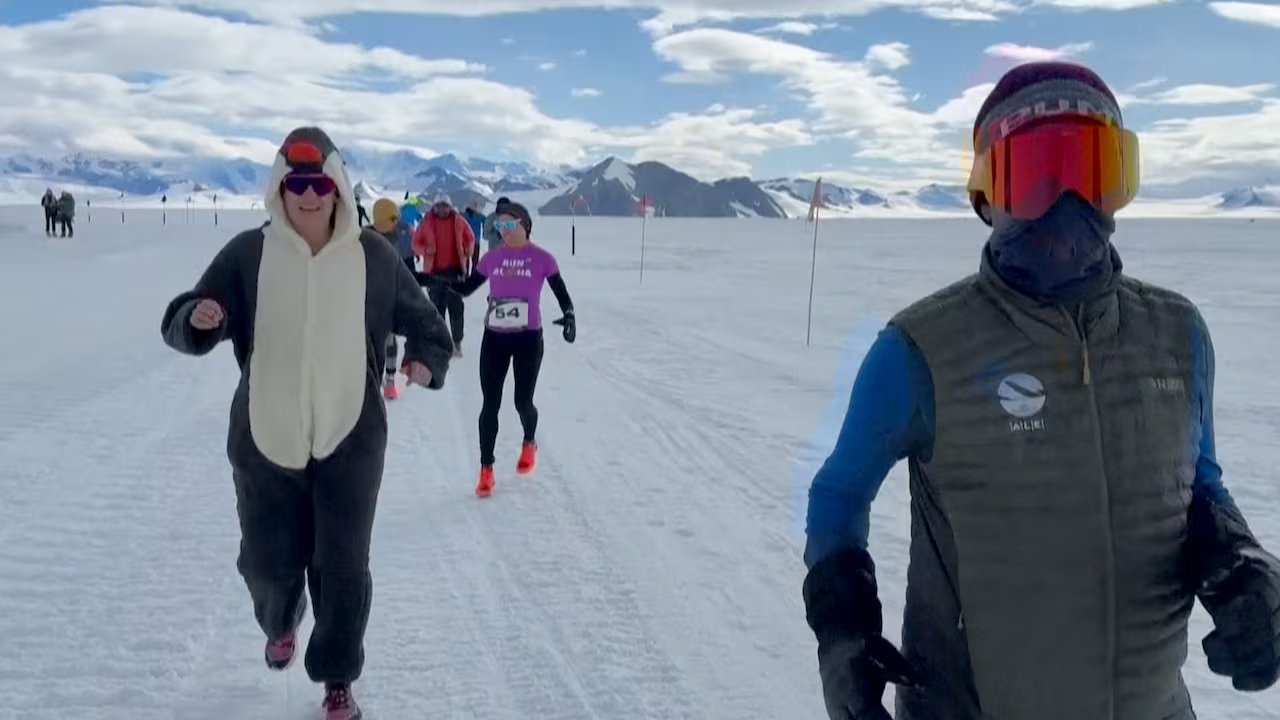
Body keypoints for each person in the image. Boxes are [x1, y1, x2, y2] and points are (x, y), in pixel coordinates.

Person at [801, 61, 1280, 720]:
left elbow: (1197, 485)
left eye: (1093, 172)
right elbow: (838, 494)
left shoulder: (1176, 335)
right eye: (1035, 176)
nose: (1068, 202)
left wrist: (1245, 565)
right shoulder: (921, 351)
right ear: (986, 196)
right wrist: (843, 633)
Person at [160, 126, 455, 720]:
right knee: (266, 565)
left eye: (321, 183)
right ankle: (281, 616)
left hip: (352, 438)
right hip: (265, 438)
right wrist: (198, 319)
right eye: (297, 184)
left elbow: (428, 324)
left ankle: (337, 677)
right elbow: (181, 318)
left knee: (343, 568)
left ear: (338, 186)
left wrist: (426, 359)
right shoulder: (249, 254)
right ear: (280, 188)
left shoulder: (373, 256)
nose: (310, 195)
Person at [449, 201, 575, 498]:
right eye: (499, 226)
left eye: (508, 225)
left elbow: (562, 294)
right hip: (494, 338)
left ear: (525, 225)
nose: (503, 231)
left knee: (522, 401)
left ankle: (529, 441)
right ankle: (486, 470)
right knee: (489, 404)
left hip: (528, 338)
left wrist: (569, 316)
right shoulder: (492, 258)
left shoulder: (543, 259)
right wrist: (438, 282)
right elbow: (467, 288)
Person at [412, 193, 476, 357]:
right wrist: (425, 250)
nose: (442, 209)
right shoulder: (426, 222)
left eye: (445, 206)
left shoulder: (459, 221)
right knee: (436, 310)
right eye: (438, 206)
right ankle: (440, 343)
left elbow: (470, 238)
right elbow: (415, 243)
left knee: (456, 309)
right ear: (434, 207)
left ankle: (457, 343)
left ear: (450, 207)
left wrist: (468, 250)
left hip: (455, 272)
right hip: (434, 274)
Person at [371, 197, 416, 400]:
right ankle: (374, 379)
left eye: (396, 218)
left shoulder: (398, 234)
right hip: (368, 298)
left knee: (389, 339)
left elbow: (404, 263)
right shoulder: (364, 238)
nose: (396, 222)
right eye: (392, 218)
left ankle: (389, 379)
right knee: (371, 343)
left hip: (390, 296)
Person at [462, 198, 486, 267]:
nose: (474, 207)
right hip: (468, 241)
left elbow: (487, 222)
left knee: (472, 261)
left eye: (475, 205)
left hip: (472, 241)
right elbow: (487, 222)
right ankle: (468, 273)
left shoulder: (479, 216)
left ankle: (469, 273)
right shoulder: (464, 215)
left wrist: (485, 234)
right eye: (473, 205)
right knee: (470, 260)